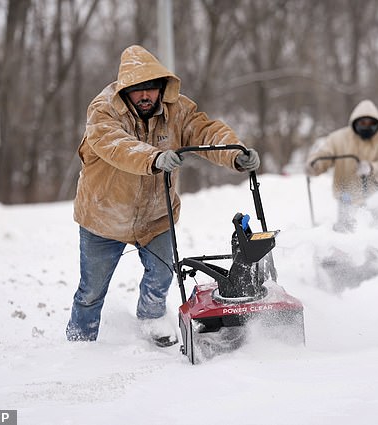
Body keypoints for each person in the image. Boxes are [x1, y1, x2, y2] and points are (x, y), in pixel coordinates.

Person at [66, 45, 260, 347]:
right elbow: (116, 145)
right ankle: (79, 344)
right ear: (125, 91)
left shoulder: (177, 110)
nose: (145, 96)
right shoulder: (102, 110)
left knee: (161, 276)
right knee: (91, 291)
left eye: (151, 89)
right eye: (137, 90)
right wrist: (153, 158)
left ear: (161, 87)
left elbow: (205, 131)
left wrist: (236, 153)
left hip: (156, 215)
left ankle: (151, 319)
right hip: (104, 217)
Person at [305, 99, 378, 232]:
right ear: (355, 122)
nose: (366, 126)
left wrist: (372, 167)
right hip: (347, 198)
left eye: (371, 123)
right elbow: (324, 155)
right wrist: (314, 165)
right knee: (346, 235)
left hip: (376, 197)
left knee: (377, 236)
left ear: (377, 123)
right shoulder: (338, 138)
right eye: (362, 122)